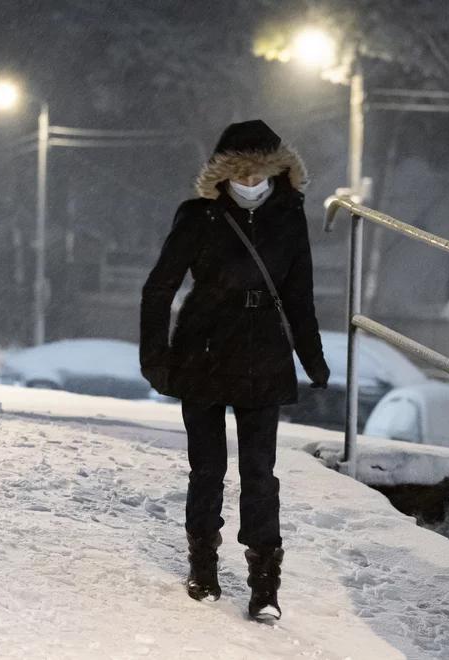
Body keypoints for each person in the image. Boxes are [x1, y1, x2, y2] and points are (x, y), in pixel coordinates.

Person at [140, 120, 329, 621]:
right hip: (203, 348)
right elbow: (159, 287)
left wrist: (312, 357)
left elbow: (299, 295)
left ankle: (264, 581)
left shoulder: (289, 217)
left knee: (260, 473)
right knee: (208, 468)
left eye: (260, 173)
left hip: (263, 353)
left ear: (277, 171)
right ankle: (203, 563)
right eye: (240, 173)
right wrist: (155, 357)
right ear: (223, 174)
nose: (250, 183)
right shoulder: (199, 216)